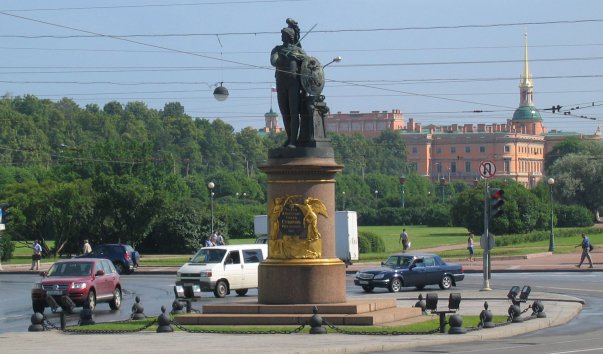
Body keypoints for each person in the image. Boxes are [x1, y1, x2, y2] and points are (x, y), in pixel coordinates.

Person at [270, 19, 307, 148]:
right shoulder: (277, 49)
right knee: (285, 112)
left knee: (294, 112)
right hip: (281, 83)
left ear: (289, 37)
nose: (281, 37)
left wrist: (295, 56)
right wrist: (283, 57)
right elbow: (273, 61)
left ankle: (293, 140)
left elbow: (308, 66)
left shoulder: (299, 51)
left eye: (283, 35)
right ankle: (289, 137)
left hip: (294, 83)